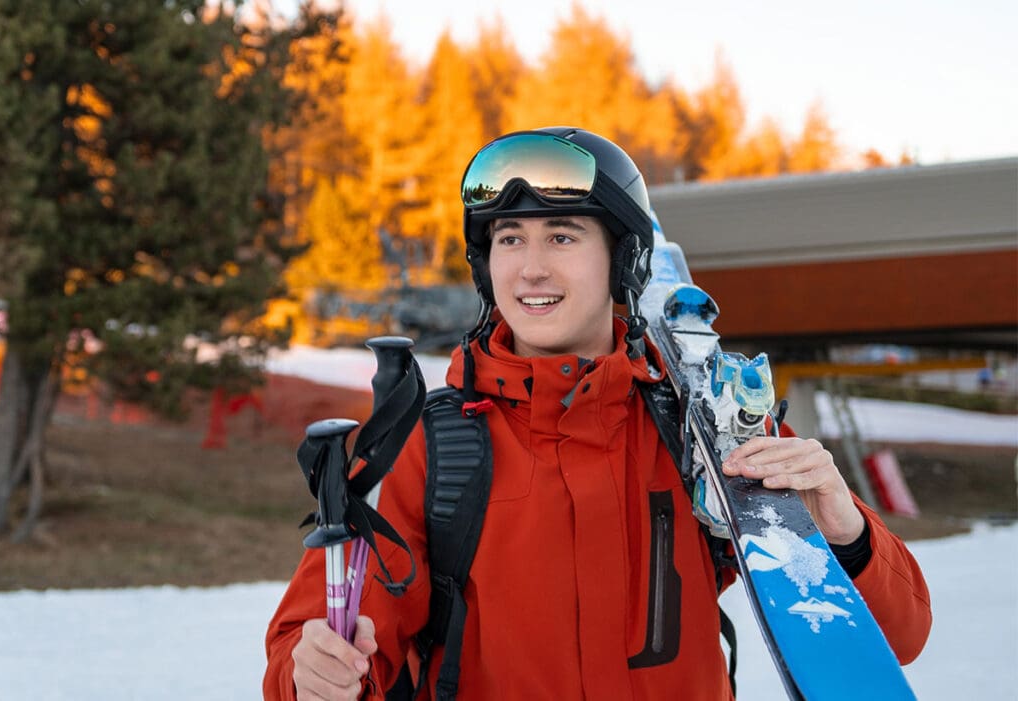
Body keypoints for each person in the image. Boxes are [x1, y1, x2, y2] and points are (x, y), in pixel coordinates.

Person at [264, 127, 931, 700]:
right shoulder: (429, 445)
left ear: (622, 260)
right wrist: (314, 671)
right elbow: (319, 646)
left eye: (561, 236)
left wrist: (845, 529)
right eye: (509, 239)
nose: (530, 269)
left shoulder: (705, 423)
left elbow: (897, 635)